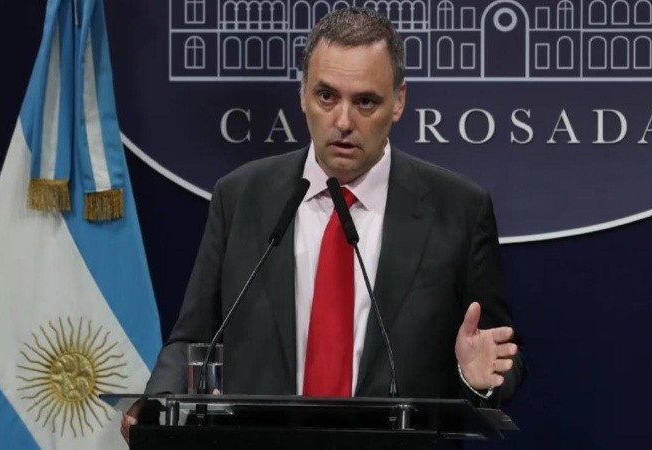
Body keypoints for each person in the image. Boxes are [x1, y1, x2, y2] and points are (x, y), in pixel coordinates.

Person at [121, 6, 525, 442]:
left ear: (398, 102)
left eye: (365, 101)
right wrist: (157, 404)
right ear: (303, 95)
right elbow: (192, 339)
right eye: (327, 96)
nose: (344, 121)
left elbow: (499, 353)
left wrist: (478, 377)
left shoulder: (458, 210)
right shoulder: (241, 197)